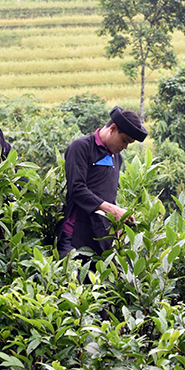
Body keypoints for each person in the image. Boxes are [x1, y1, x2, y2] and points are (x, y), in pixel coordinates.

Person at [57, 106, 147, 257]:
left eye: (129, 144)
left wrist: (116, 222)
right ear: (112, 128)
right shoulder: (81, 147)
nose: (125, 147)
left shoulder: (116, 157)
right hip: (75, 238)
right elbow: (77, 189)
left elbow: (107, 195)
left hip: (101, 238)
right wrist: (114, 210)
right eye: (124, 141)